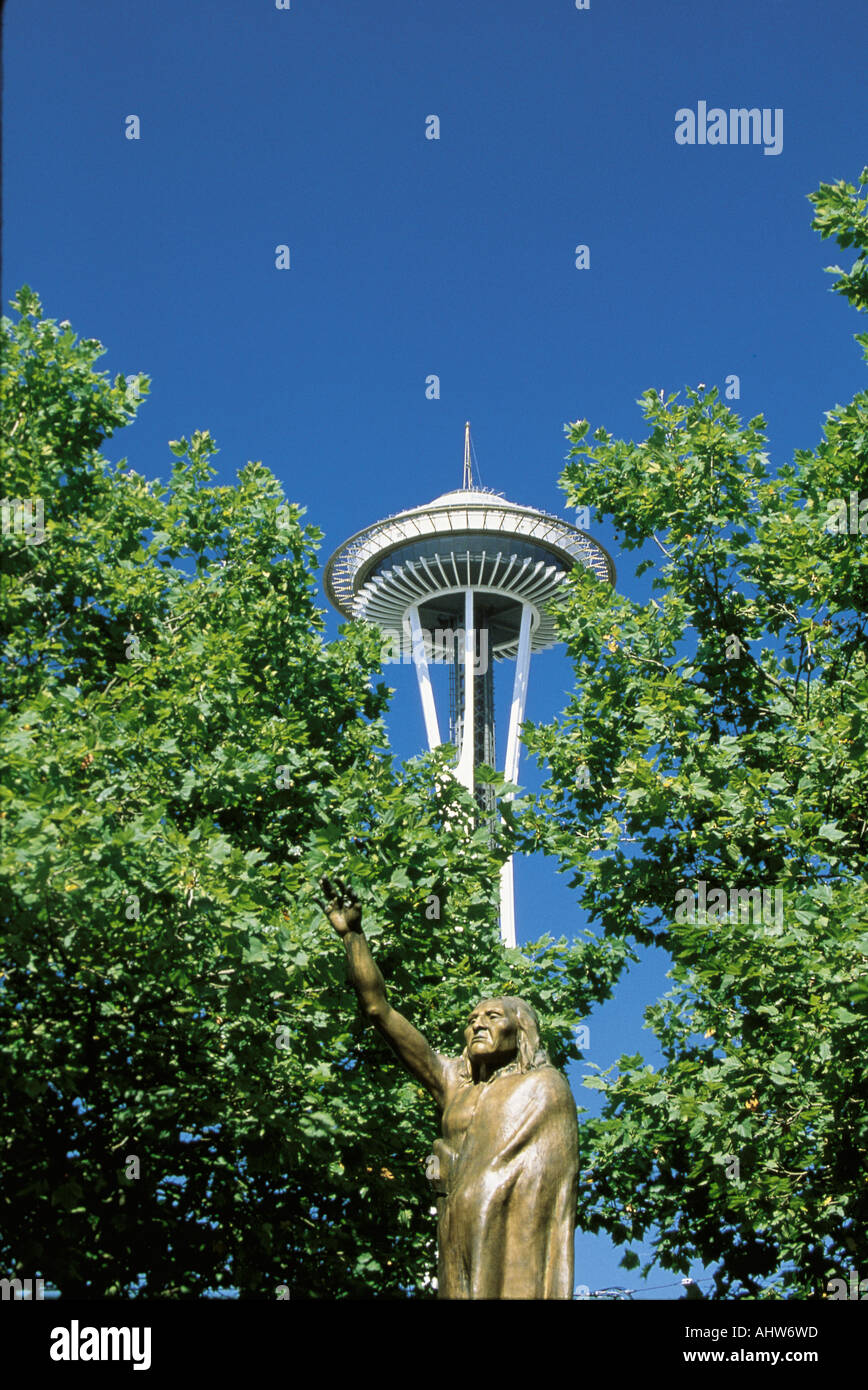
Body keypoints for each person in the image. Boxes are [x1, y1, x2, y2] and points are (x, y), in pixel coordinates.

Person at [322, 878, 579, 1299]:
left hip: (511, 1255)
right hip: (454, 1236)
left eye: (493, 1017)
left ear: (522, 1031)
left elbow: (543, 1193)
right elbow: (377, 1009)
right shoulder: (453, 1082)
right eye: (473, 1017)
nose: (478, 1022)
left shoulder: (543, 1089)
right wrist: (353, 937)